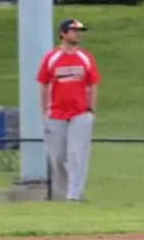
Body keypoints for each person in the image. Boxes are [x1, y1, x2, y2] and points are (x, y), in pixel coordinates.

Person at [36, 19, 100, 202]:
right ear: (63, 33)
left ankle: (74, 195)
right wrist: (44, 111)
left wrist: (91, 109)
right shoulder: (52, 58)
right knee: (57, 156)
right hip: (56, 113)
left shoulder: (85, 57)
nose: (78, 34)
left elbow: (93, 84)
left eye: (79, 31)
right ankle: (64, 192)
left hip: (80, 112)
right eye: (74, 31)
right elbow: (43, 84)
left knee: (77, 153)